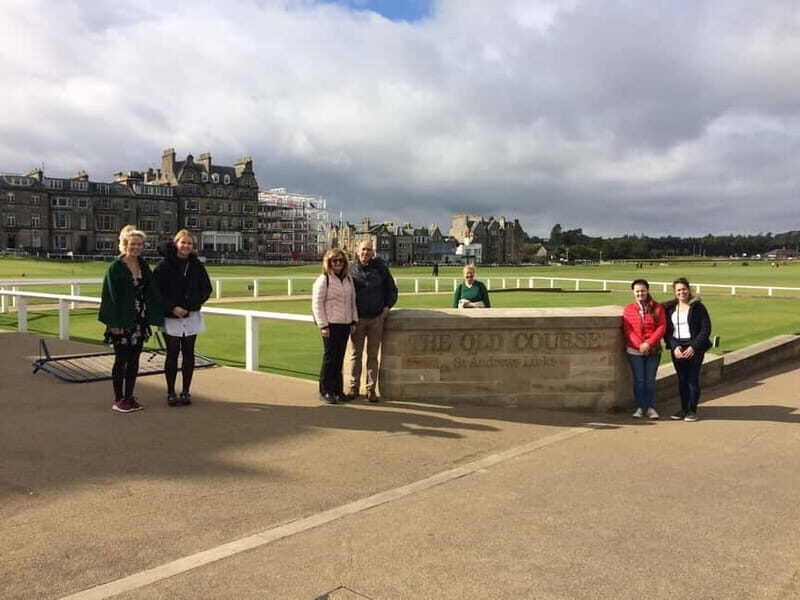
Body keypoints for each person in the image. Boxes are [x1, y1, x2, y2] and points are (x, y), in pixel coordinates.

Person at [98, 225, 164, 413]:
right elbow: (109, 297)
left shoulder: (143, 265)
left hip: (139, 319)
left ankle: (129, 396)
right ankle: (118, 399)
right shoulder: (116, 268)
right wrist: (113, 324)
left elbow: (152, 291)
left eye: (140, 244)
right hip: (121, 320)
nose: (136, 247)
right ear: (125, 244)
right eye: (133, 244)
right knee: (121, 359)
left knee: (135, 360)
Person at [154, 230, 213, 407]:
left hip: (191, 314)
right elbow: (156, 292)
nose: (186, 246)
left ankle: (186, 391)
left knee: (188, 352)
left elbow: (206, 289)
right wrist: (172, 307)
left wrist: (190, 306)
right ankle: (171, 392)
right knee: (172, 352)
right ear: (176, 243)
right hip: (170, 316)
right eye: (183, 242)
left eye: (189, 243)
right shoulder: (163, 266)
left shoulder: (196, 265)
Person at [346, 237, 398, 402]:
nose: (365, 253)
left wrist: (387, 308)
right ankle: (354, 386)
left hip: (376, 319)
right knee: (356, 354)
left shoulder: (380, 268)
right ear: (357, 251)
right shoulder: (350, 269)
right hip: (358, 319)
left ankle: (371, 389)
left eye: (368, 250)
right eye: (363, 249)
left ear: (372, 252)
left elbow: (391, 289)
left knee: (373, 355)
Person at [662, 277, 712, 422]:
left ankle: (692, 410)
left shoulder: (698, 308)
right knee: (682, 379)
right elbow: (667, 331)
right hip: (677, 346)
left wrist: (693, 347)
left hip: (694, 346)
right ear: (674, 292)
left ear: (689, 290)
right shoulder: (670, 308)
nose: (681, 292)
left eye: (684, 289)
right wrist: (674, 346)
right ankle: (683, 409)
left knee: (692, 379)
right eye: (678, 290)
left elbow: (706, 329)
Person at [312, 249, 358, 404]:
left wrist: (353, 321)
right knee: (329, 358)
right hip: (330, 324)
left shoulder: (348, 279)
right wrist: (323, 325)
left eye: (340, 260)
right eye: (334, 261)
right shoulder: (324, 279)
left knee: (339, 358)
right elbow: (317, 304)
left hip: (344, 324)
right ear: (328, 262)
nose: (338, 263)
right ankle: (325, 390)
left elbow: (352, 302)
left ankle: (338, 390)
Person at [622, 278, 665, 419]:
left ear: (647, 291)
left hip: (653, 350)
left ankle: (650, 407)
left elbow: (661, 327)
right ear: (633, 293)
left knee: (650, 380)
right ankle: (640, 407)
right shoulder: (628, 309)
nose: (640, 293)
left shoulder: (657, 308)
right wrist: (640, 344)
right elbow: (628, 330)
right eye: (637, 291)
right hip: (635, 350)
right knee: (639, 380)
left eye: (643, 291)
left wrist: (649, 343)